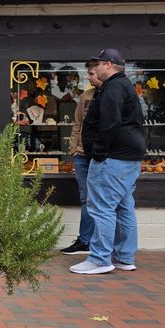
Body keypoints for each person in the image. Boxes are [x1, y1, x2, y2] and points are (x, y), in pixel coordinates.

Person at [69, 49, 146, 275]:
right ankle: (124, 257)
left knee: (101, 207)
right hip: (128, 157)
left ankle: (100, 259)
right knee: (123, 206)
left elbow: (109, 123)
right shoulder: (124, 86)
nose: (96, 68)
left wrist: (99, 153)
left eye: (99, 64)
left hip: (113, 157)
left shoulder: (113, 87)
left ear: (109, 65)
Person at [60, 60, 101, 255]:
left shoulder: (111, 95)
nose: (89, 77)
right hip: (82, 156)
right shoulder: (86, 96)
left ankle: (99, 243)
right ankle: (84, 240)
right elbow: (77, 124)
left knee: (101, 200)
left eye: (92, 73)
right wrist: (74, 149)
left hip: (101, 156)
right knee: (86, 198)